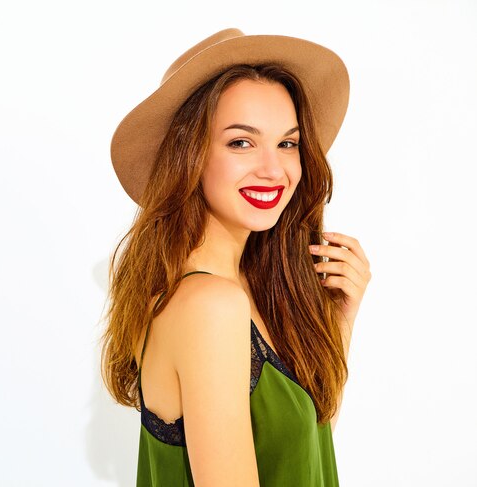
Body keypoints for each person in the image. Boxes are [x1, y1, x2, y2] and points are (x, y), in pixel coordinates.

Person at [100, 28, 371, 487]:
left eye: (287, 143)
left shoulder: (242, 292)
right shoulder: (210, 305)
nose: (273, 168)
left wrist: (340, 321)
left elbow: (298, 453)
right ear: (190, 155)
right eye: (241, 142)